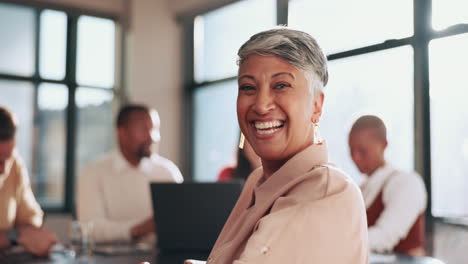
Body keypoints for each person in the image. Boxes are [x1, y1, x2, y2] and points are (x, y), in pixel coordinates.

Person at [189, 28, 369, 264]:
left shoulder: (327, 190)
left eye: (281, 85)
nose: (261, 105)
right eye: (248, 88)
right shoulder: (257, 180)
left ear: (316, 105)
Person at [77, 104, 183, 243]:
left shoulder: (168, 171)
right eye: (144, 129)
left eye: (155, 129)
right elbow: (90, 229)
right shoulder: (93, 173)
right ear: (122, 133)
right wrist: (139, 229)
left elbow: (181, 222)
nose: (153, 137)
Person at [348, 115, 427, 256]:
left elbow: (386, 236)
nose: (355, 158)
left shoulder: (406, 183)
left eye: (362, 151)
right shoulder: (362, 188)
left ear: (384, 145)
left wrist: (341, 241)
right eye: (351, 151)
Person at [0, 106, 57, 256]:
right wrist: (14, 236)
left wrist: (30, 234)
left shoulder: (15, 166)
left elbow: (31, 219)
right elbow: (20, 234)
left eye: (8, 158)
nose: (4, 169)